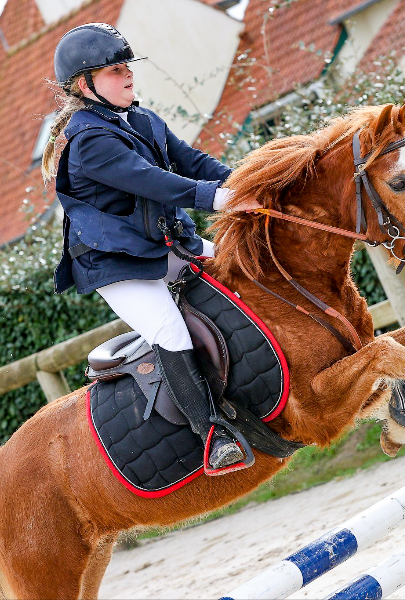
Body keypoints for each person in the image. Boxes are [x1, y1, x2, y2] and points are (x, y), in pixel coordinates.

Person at [45, 23, 256, 475]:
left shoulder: (141, 120)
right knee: (170, 331)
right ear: (86, 85)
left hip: (164, 245)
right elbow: (154, 182)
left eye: (127, 68)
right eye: (115, 71)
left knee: (245, 270)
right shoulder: (88, 142)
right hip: (118, 265)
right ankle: (213, 435)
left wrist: (251, 182)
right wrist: (216, 197)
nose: (128, 77)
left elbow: (194, 162)